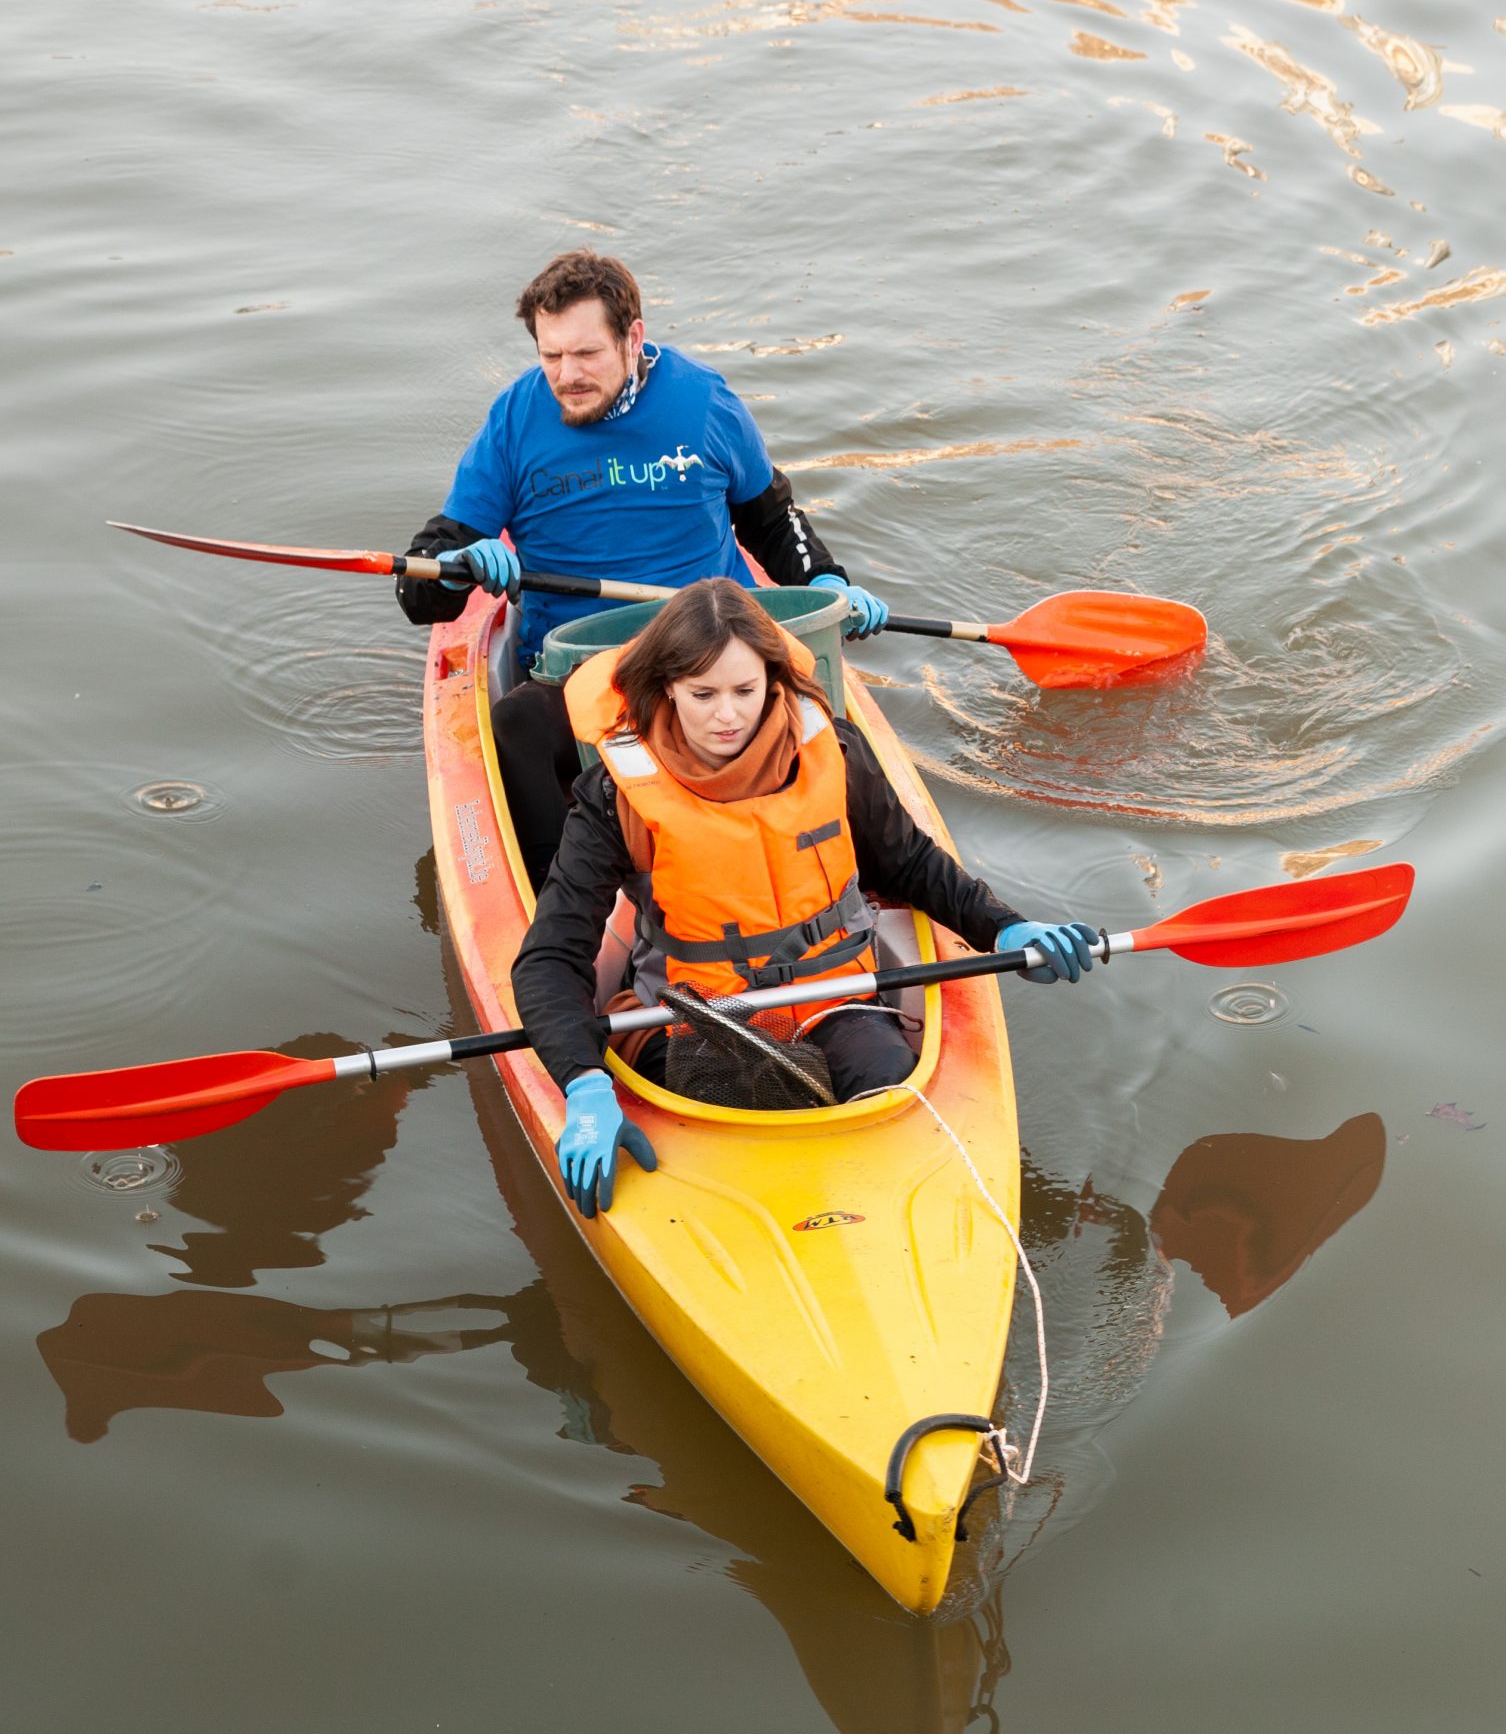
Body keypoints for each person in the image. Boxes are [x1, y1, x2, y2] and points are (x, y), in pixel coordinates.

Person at [512, 580, 1099, 1219]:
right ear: (666, 689)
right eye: (702, 695)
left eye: (745, 691)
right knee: (730, 1093)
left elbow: (908, 862)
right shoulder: (613, 793)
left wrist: (1005, 929)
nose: (727, 717)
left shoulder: (834, 748)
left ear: (772, 679)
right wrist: (583, 1082)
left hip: (838, 997)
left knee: (885, 1075)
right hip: (693, 1016)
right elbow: (549, 960)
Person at [396, 247, 892, 887]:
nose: (566, 374)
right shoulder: (515, 423)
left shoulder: (704, 402)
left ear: (633, 339)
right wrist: (456, 567)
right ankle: (560, 908)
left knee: (823, 716)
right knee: (518, 723)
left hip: (716, 647)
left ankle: (874, 883)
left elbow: (769, 518)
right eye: (550, 356)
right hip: (584, 664)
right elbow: (420, 591)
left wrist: (826, 582)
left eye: (586, 354)